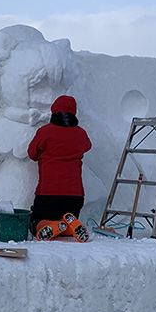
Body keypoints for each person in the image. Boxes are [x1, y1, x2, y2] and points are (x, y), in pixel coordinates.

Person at [27, 95, 92, 242]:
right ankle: (69, 227)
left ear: (54, 110)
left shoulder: (45, 132)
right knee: (66, 224)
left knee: (36, 221)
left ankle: (50, 225)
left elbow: (32, 153)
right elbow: (87, 146)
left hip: (48, 192)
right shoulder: (81, 133)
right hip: (75, 195)